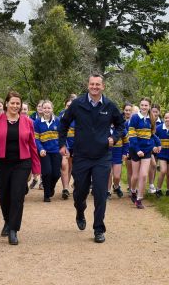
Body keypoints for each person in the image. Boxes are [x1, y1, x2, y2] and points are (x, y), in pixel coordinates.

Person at [59, 74, 125, 243]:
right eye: (92, 84)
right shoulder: (77, 104)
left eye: (98, 84)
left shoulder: (110, 106)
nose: (94, 87)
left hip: (102, 156)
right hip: (81, 156)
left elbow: (121, 125)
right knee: (80, 192)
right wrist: (62, 144)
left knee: (100, 193)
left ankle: (98, 229)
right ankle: (80, 211)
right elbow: (64, 123)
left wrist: (114, 138)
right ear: (88, 86)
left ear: (103, 87)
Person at [0, 91, 41, 245]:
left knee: (17, 195)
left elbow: (32, 145)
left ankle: (13, 229)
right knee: (4, 195)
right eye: (12, 103)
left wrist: (36, 168)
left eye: (18, 103)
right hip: (1, 164)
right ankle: (7, 220)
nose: (15, 106)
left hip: (22, 163)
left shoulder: (28, 122)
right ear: (6, 104)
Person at [128, 98, 160, 209]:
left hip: (147, 150)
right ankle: (133, 190)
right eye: (142, 105)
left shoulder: (152, 118)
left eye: (146, 105)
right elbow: (132, 135)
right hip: (135, 149)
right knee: (135, 176)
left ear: (149, 106)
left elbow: (152, 134)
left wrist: (158, 144)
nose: (144, 107)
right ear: (139, 105)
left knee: (144, 175)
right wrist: (137, 150)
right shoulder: (135, 118)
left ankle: (139, 199)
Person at [34, 100, 61, 202]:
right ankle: (46, 195)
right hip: (44, 152)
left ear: (52, 109)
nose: (46, 110)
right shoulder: (37, 122)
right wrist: (40, 149)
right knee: (47, 172)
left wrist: (63, 148)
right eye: (44, 108)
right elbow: (36, 138)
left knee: (56, 174)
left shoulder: (58, 121)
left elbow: (62, 136)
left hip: (56, 151)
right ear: (41, 109)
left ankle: (51, 188)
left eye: (48, 108)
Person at [155, 111, 169, 197]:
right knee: (163, 171)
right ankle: (158, 189)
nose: (168, 119)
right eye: (166, 118)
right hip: (162, 153)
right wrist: (156, 146)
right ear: (163, 119)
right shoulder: (159, 128)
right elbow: (153, 138)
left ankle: (168, 189)